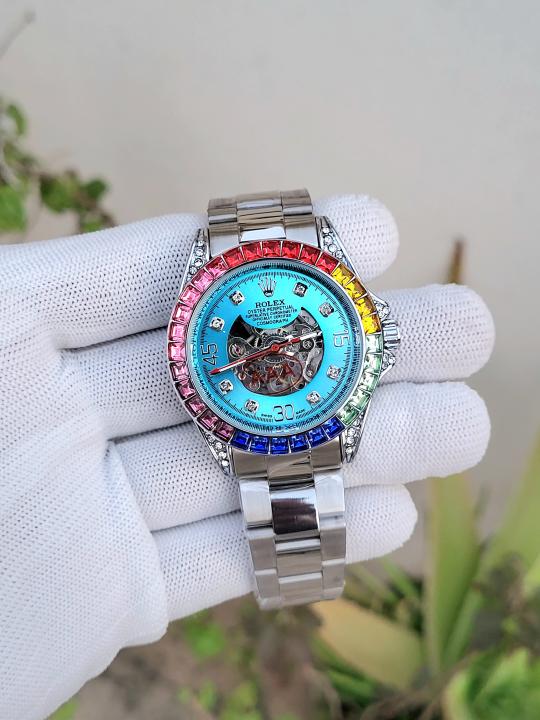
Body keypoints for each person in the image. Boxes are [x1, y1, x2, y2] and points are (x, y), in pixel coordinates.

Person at [0, 194, 494, 720]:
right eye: (266, 346)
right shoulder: (224, 350)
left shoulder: (314, 340)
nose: (279, 348)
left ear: (378, 343)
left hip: (290, 415)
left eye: (289, 343)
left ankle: (300, 573)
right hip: (254, 417)